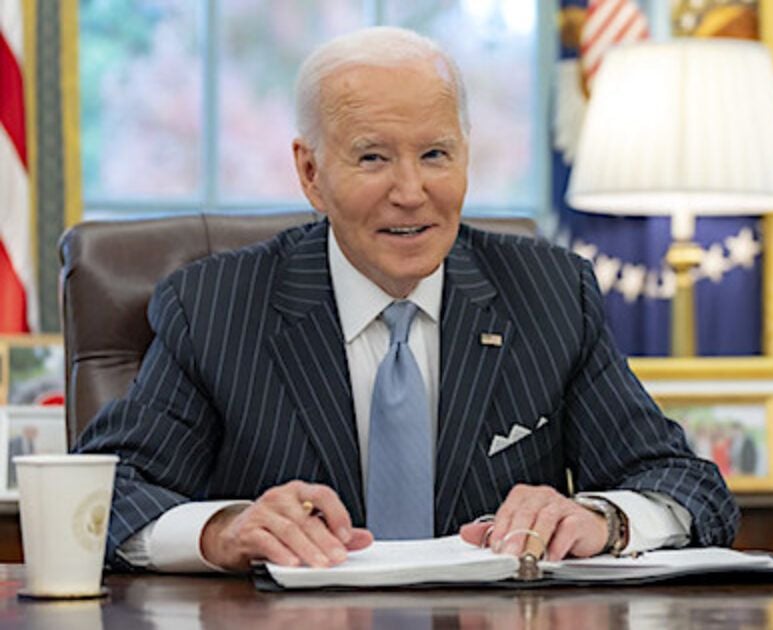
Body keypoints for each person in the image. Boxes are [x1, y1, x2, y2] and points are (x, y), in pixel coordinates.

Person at [74, 26, 738, 573]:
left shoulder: (551, 293)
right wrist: (223, 529)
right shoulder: (216, 305)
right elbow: (101, 494)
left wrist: (602, 518)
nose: (412, 191)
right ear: (311, 172)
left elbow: (686, 486)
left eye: (435, 154)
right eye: (372, 159)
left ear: (467, 157)